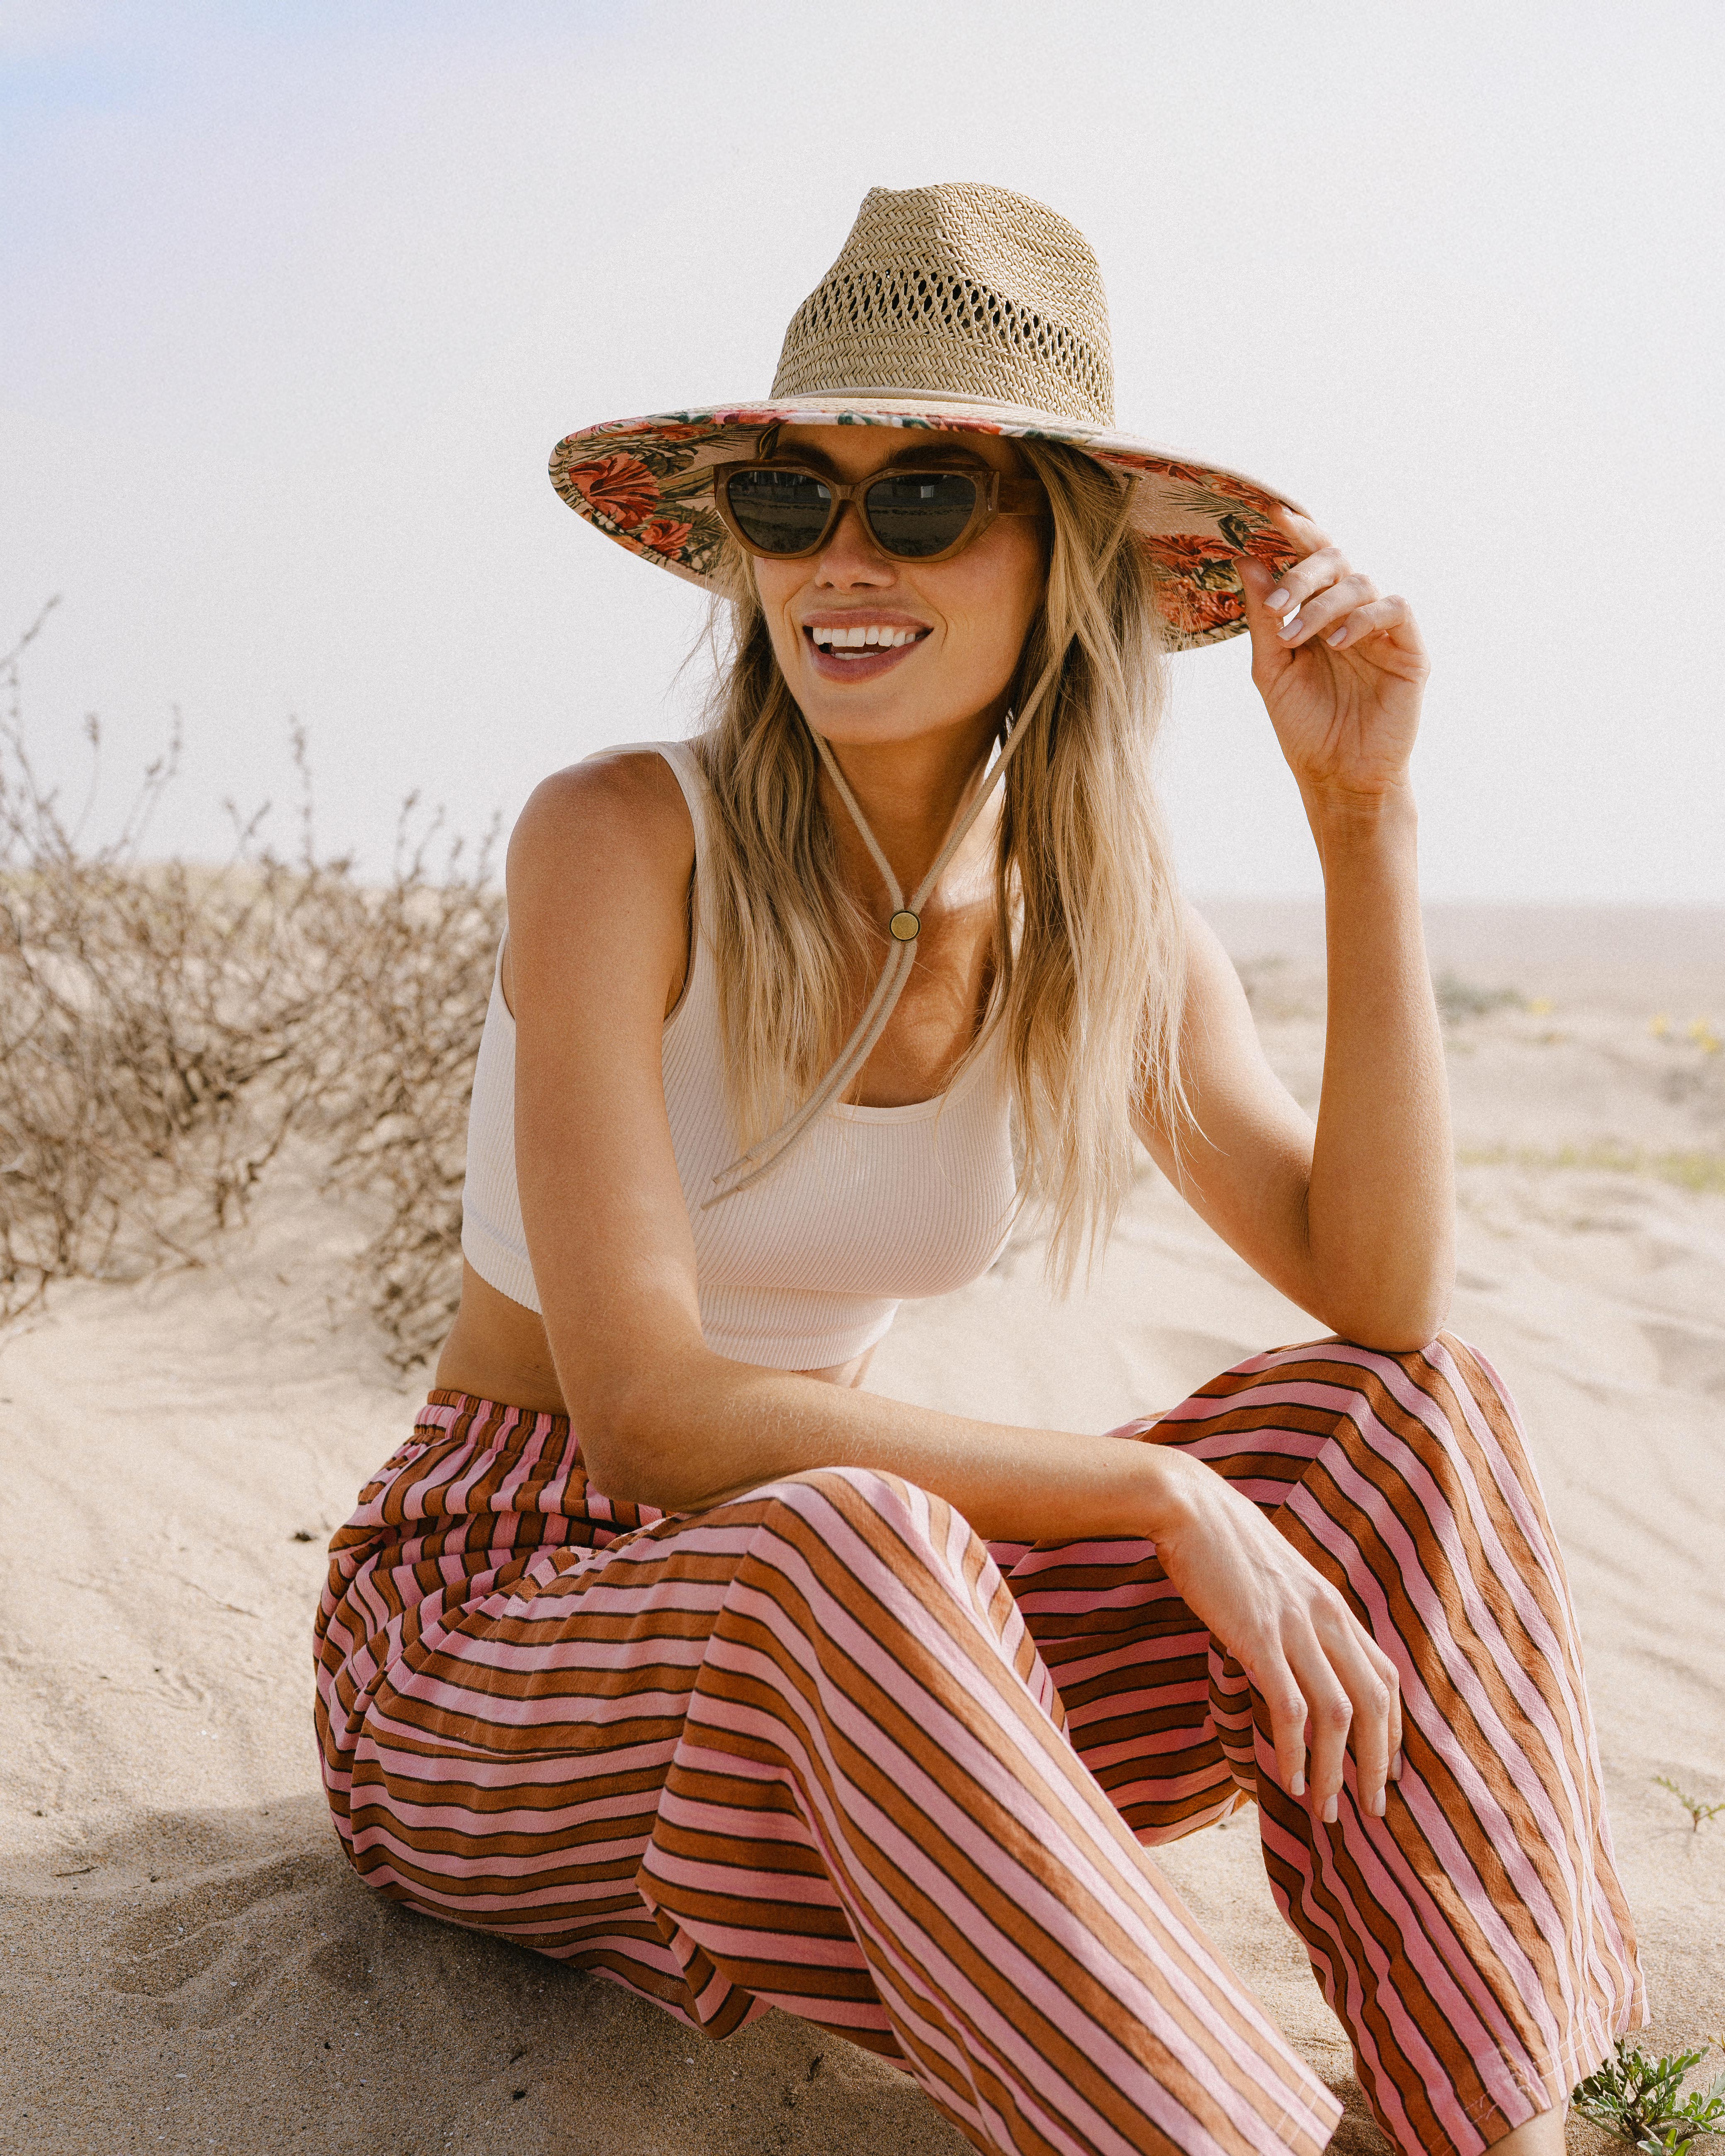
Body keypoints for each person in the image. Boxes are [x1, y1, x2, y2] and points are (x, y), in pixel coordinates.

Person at [315, 184, 1642, 2156]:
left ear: (1063, 555)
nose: (843, 561)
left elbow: (1380, 1296)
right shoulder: (618, 840)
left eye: (926, 498)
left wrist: (1361, 817)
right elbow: (651, 1418)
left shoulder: (1085, 915)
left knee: (1403, 1423)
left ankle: (1482, 2112)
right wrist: (1154, 1488)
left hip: (876, 1659)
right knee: (854, 1541)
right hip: (495, 1652)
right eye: (792, 500)